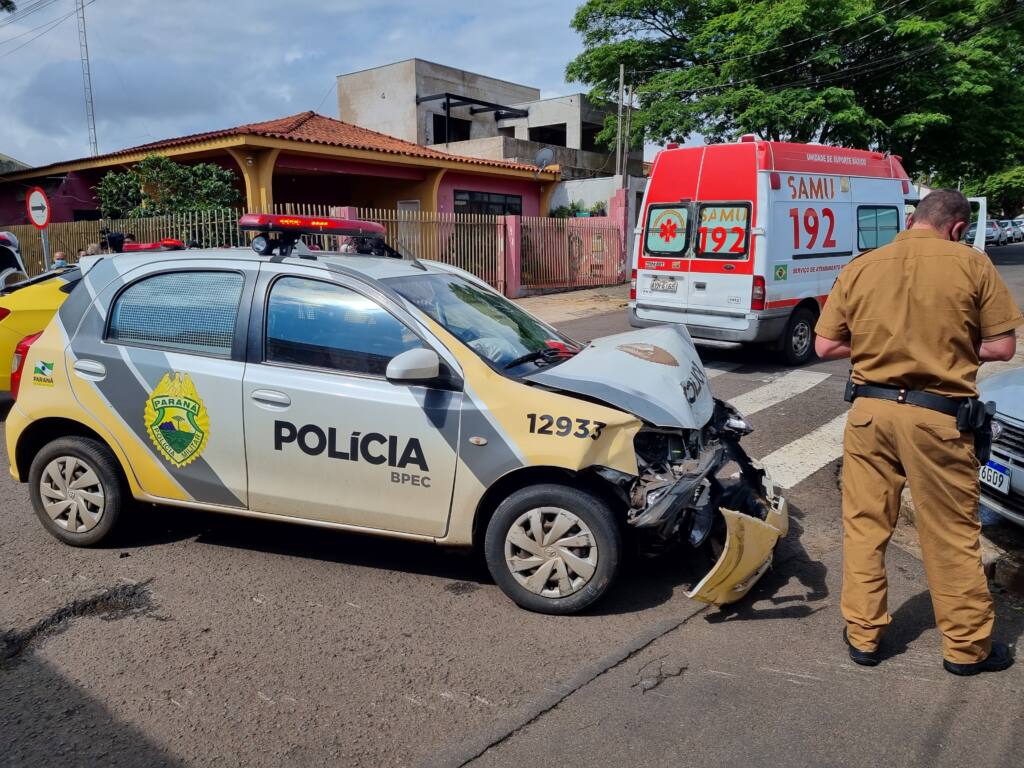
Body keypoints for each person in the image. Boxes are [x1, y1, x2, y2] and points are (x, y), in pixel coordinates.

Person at [815, 189, 1022, 676]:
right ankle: (966, 650)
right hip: (938, 420)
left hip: (869, 415)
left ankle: (864, 637)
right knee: (950, 534)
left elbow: (825, 345)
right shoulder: (971, 265)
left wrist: (876, 347)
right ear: (956, 227)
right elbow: (1003, 347)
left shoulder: (863, 265)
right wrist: (946, 343)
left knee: (865, 528)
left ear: (913, 220)